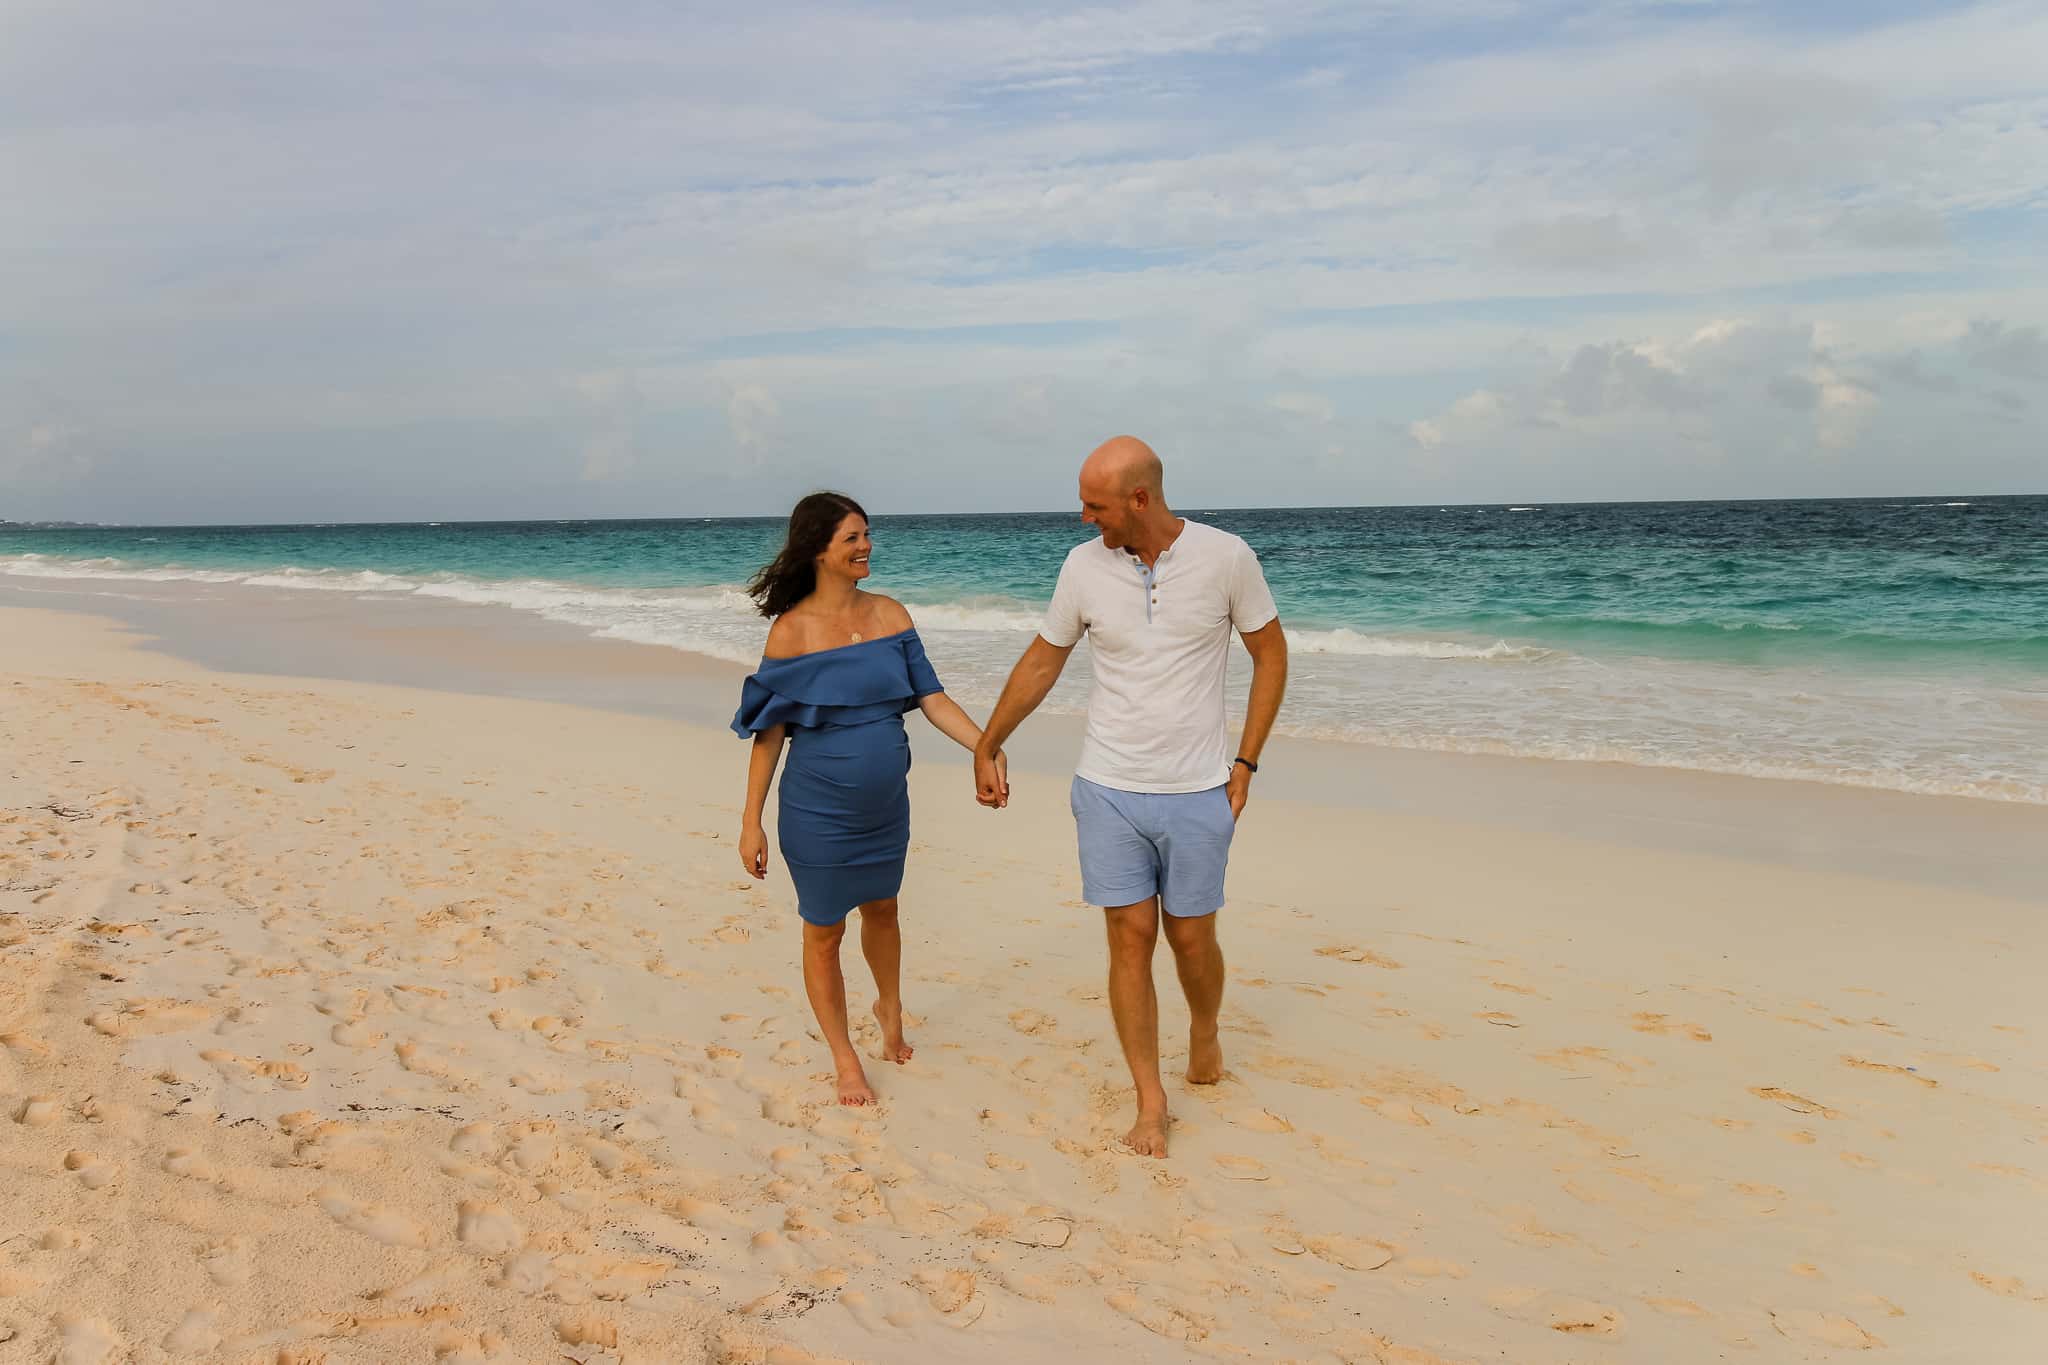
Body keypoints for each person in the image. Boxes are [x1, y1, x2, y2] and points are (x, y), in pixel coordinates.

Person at [972, 437, 1288, 1157]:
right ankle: (1152, 1097)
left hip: (1199, 788)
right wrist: (990, 740)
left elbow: (1271, 654)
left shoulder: (1226, 557)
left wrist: (1246, 762)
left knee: (1190, 938)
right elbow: (1044, 658)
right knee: (1129, 938)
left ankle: (1204, 1029)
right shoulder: (1082, 566)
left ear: (1139, 499)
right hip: (1108, 785)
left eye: (1096, 504)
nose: (1084, 518)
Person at [733, 492, 1009, 1106]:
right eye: (853, 538)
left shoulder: (891, 615)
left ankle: (889, 1004)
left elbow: (932, 698)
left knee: (885, 911)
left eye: (867, 535)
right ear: (819, 550)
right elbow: (769, 733)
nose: (866, 547)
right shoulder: (792, 632)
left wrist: (984, 747)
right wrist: (751, 821)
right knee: (823, 932)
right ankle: (845, 1058)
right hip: (816, 815)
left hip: (885, 812)